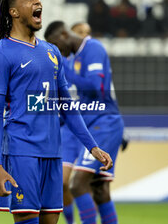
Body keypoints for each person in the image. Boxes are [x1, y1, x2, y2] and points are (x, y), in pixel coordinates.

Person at [0, 0, 113, 224]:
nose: (37, 1)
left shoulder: (52, 52)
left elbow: (67, 105)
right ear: (13, 12)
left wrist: (92, 147)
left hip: (53, 152)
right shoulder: (1, 55)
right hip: (21, 151)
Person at [45, 21, 124, 224]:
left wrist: (64, 72)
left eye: (56, 44)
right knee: (99, 189)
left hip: (103, 122)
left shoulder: (93, 48)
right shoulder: (76, 57)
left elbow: (96, 86)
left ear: (64, 35)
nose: (57, 50)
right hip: (94, 123)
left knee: (77, 185)